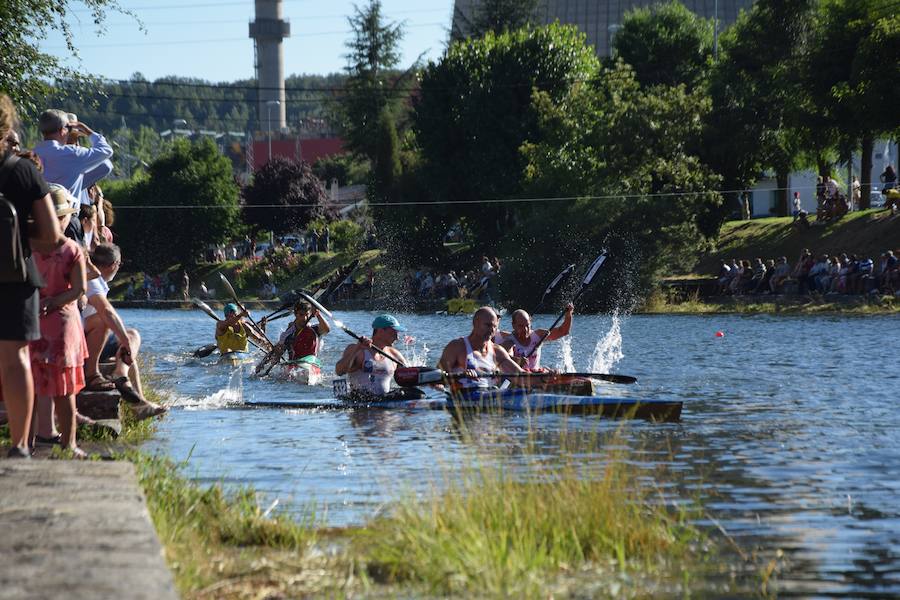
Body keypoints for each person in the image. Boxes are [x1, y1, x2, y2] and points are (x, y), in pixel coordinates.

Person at [0, 94, 61, 458]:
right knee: (16, 358)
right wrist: (21, 238)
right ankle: (20, 444)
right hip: (14, 276)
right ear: (8, 128)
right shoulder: (22, 171)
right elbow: (52, 237)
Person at [28, 185, 88, 457]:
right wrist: (53, 302)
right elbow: (79, 290)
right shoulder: (71, 249)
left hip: (30, 319)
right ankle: (69, 444)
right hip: (62, 323)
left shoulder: (26, 245)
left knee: (27, 387)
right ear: (62, 218)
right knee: (65, 390)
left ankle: (22, 444)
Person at [82, 243, 165, 420]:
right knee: (119, 333)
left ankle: (138, 400)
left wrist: (125, 340)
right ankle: (109, 375)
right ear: (113, 265)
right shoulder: (93, 281)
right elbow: (107, 313)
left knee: (132, 337)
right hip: (83, 342)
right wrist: (124, 340)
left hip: (90, 337)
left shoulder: (96, 279)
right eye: (119, 265)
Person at [438, 306, 525, 390]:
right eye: (488, 325)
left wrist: (538, 376)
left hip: (489, 395)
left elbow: (523, 377)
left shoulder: (497, 351)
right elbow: (436, 379)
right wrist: (460, 375)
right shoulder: (456, 347)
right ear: (475, 323)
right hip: (463, 397)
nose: (492, 330)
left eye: (494, 327)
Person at [335, 315, 408, 398]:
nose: (397, 338)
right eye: (394, 333)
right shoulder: (357, 350)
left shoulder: (395, 355)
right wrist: (357, 348)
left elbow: (411, 375)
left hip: (385, 404)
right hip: (361, 403)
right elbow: (339, 371)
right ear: (381, 331)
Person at [499, 303, 574, 370]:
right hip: (520, 379)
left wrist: (568, 314)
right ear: (513, 325)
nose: (525, 329)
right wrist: (516, 360)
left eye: (527, 325)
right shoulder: (509, 342)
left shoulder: (539, 335)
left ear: (530, 323)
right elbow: (500, 358)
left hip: (536, 375)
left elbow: (563, 331)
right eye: (521, 326)